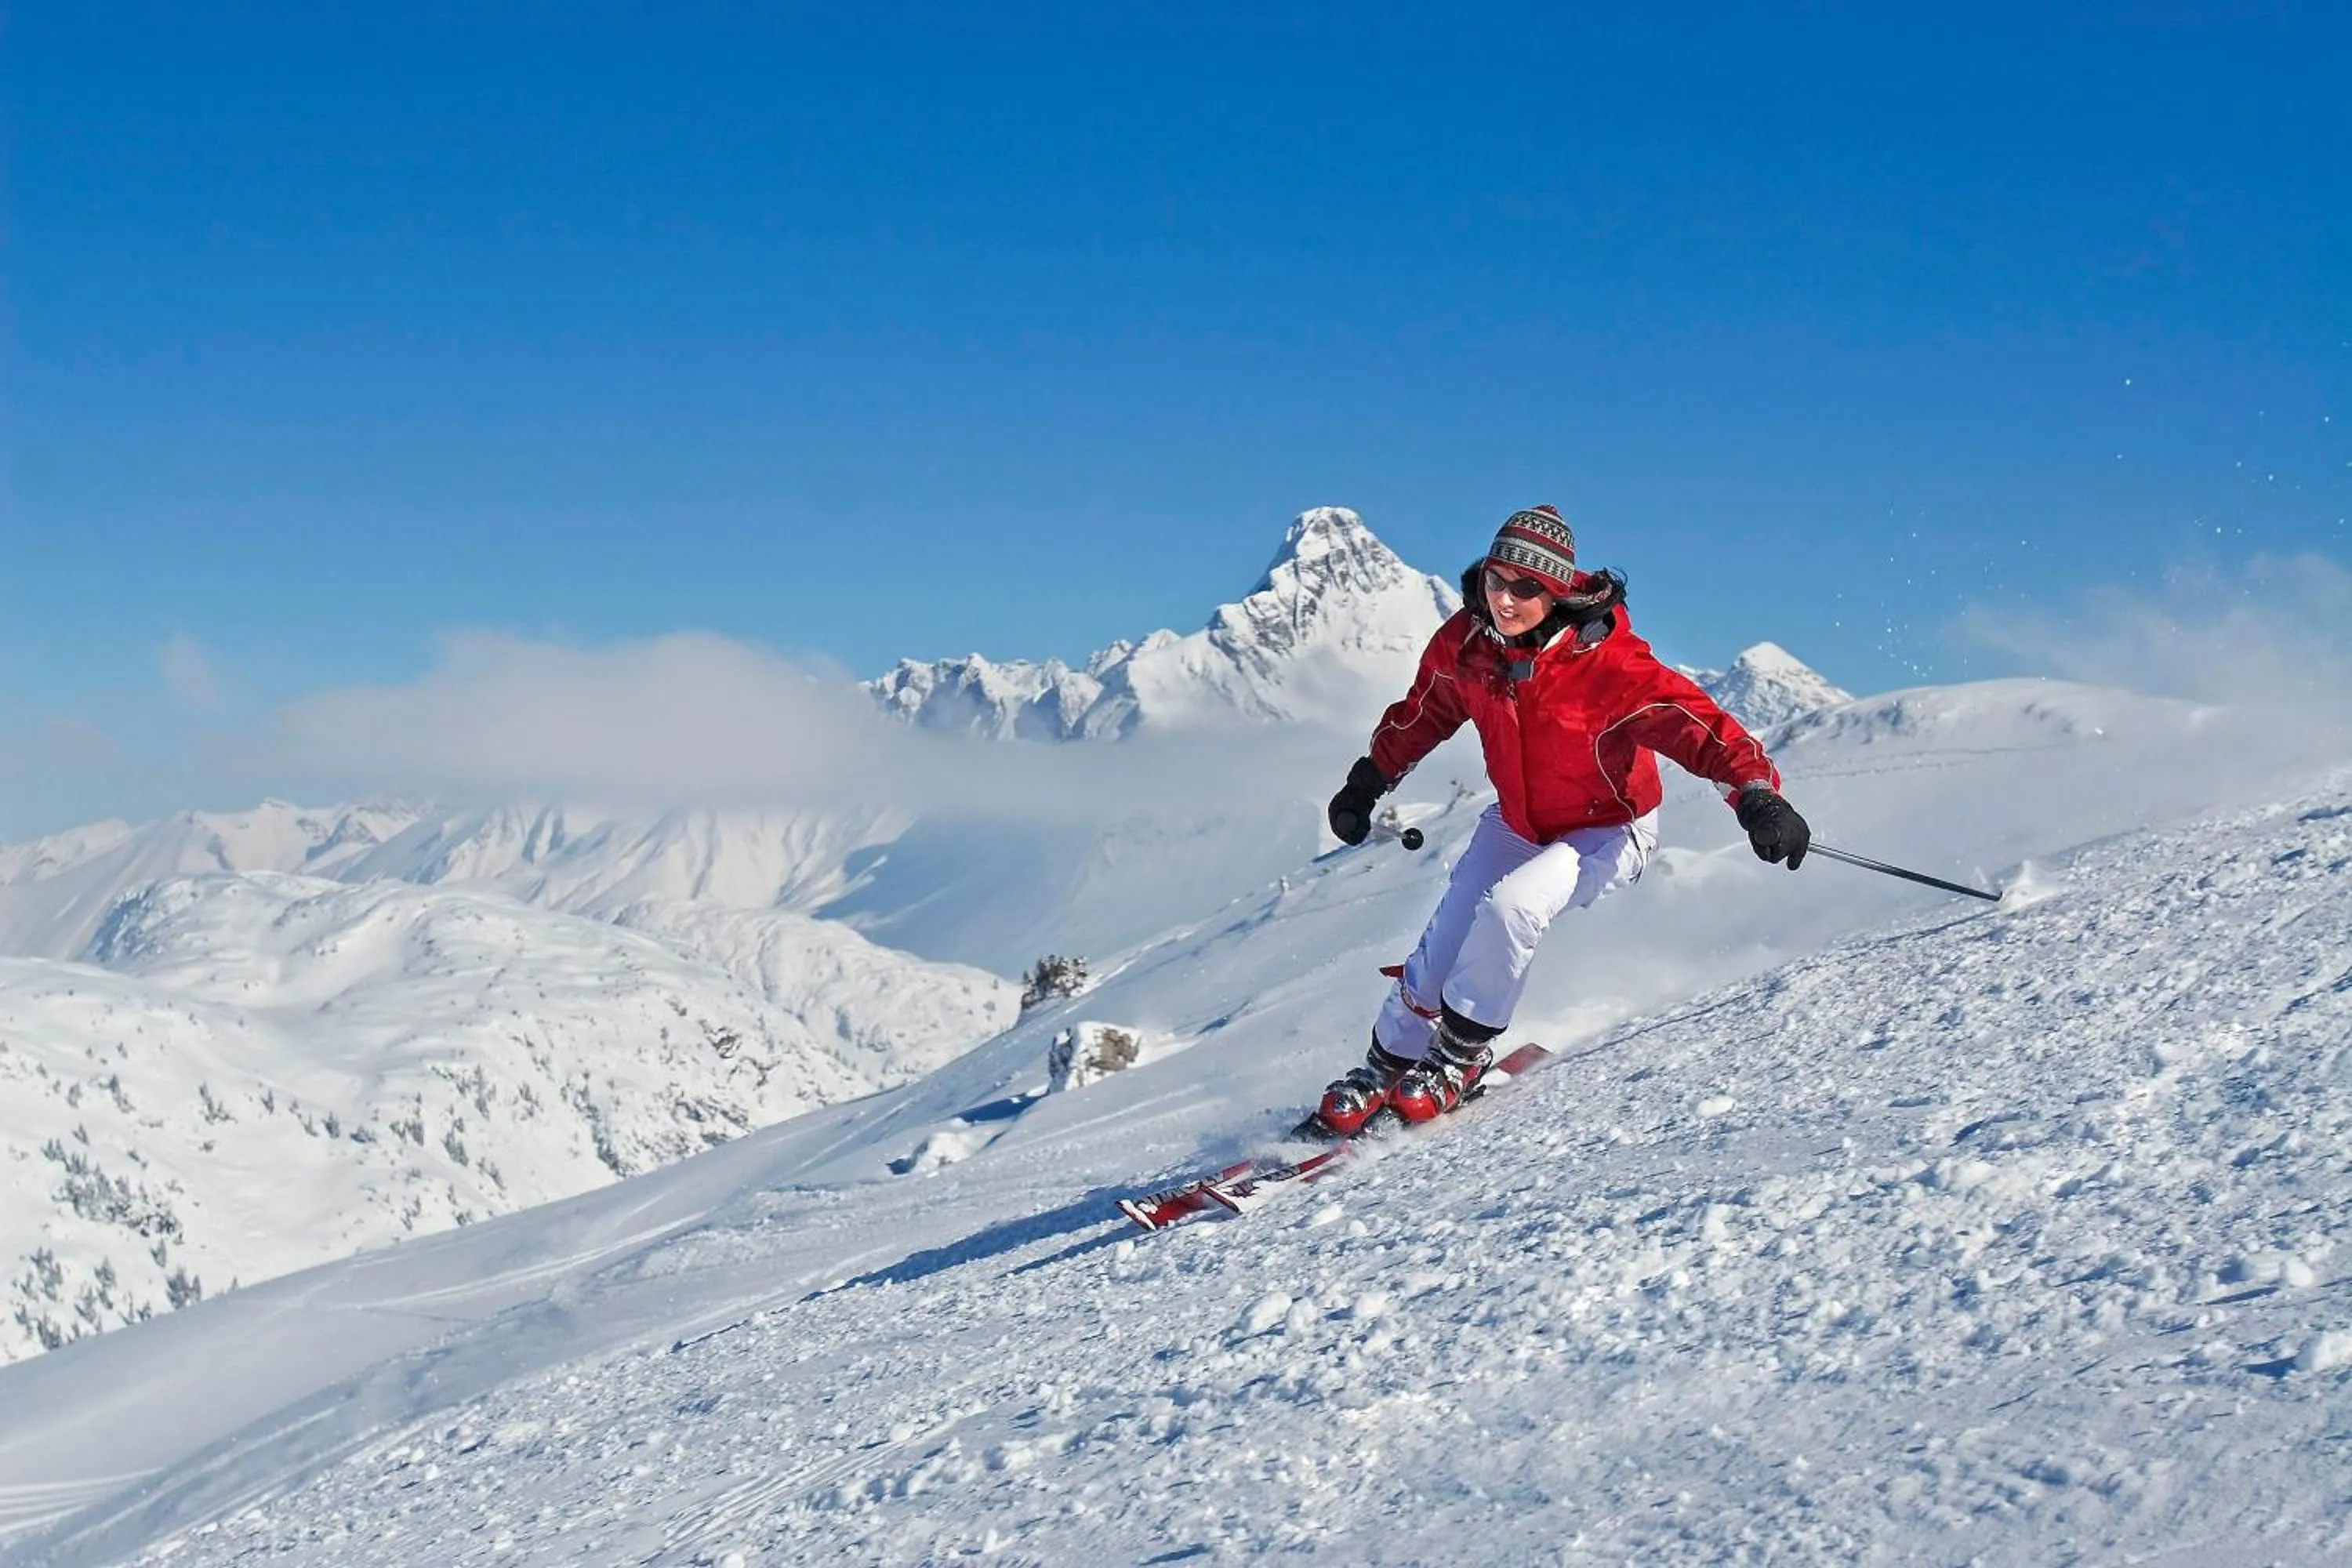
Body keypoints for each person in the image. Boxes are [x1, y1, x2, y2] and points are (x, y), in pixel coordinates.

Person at [1318, 504, 1810, 1131]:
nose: (1505, 599)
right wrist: (1367, 785)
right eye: (1496, 579)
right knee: (1446, 936)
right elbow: (1423, 714)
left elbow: (1705, 731)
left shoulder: (1614, 668)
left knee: (1513, 907)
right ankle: (1386, 1063)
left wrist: (1758, 797)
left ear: (1557, 592)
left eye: (1527, 588)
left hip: (1611, 826)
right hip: (1520, 821)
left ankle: (1461, 1055)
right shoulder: (1466, 644)